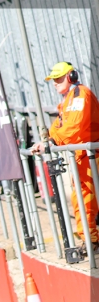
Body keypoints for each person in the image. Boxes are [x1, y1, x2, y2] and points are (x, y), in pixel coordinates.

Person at [30, 61, 99, 246]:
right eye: (53, 79)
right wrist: (45, 141)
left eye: (58, 78)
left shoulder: (79, 95)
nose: (54, 83)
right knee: (83, 199)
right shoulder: (68, 100)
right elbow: (60, 125)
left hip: (92, 155)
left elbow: (74, 127)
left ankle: (91, 241)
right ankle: (90, 240)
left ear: (71, 76)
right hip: (83, 155)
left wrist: (52, 142)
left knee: (85, 199)